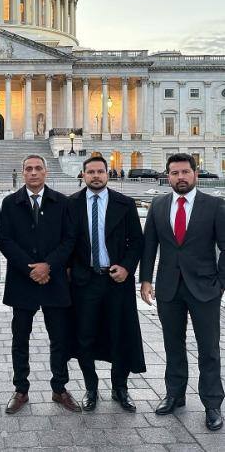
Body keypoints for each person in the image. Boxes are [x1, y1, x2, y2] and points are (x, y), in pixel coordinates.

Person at [140, 153, 225, 431]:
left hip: (205, 289)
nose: (180, 177)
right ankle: (175, 394)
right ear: (168, 176)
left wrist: (220, 283)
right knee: (172, 345)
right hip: (168, 288)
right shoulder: (158, 204)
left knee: (209, 349)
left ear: (195, 174)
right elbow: (149, 245)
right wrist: (145, 280)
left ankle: (212, 403)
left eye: (185, 172)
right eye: (175, 173)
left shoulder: (214, 205)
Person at [0, 155, 80, 414]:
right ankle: (21, 389)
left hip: (54, 280)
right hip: (23, 282)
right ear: (22, 173)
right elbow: (5, 240)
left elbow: (70, 240)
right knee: (20, 338)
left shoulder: (63, 202)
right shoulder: (10, 203)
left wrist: (49, 266)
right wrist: (30, 268)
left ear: (46, 172)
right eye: (28, 169)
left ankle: (59, 388)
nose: (33, 173)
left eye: (38, 168)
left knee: (59, 338)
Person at [68, 155, 146, 412]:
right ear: (83, 175)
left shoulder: (124, 203)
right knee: (84, 336)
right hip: (85, 280)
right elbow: (66, 242)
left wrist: (126, 267)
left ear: (108, 174)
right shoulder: (72, 204)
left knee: (120, 334)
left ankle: (120, 388)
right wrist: (70, 270)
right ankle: (91, 388)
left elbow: (137, 241)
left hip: (116, 280)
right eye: (90, 172)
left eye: (100, 171)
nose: (96, 176)